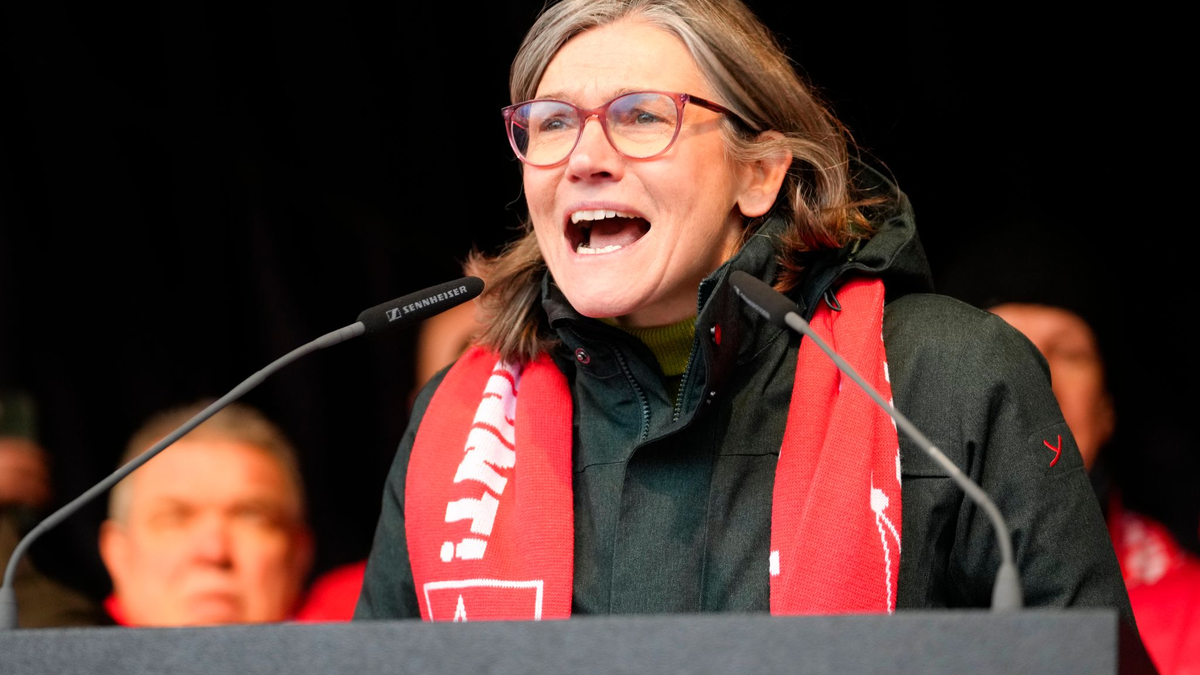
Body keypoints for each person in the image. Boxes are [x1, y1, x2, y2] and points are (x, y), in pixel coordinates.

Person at [355, 0, 1132, 622]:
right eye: (552, 123)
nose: (586, 158)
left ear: (758, 174)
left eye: (640, 116)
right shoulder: (458, 420)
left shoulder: (948, 378)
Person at [988, 302, 1199, 674]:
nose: (1038, 377)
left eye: (1068, 353)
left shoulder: (1190, 612)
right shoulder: (885, 580)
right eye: (1001, 347)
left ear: (1106, 409)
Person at [98, 401, 314, 626]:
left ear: (299, 554)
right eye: (174, 519)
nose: (213, 551)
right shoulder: (61, 655)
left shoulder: (349, 652)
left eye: (250, 517)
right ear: (118, 553)